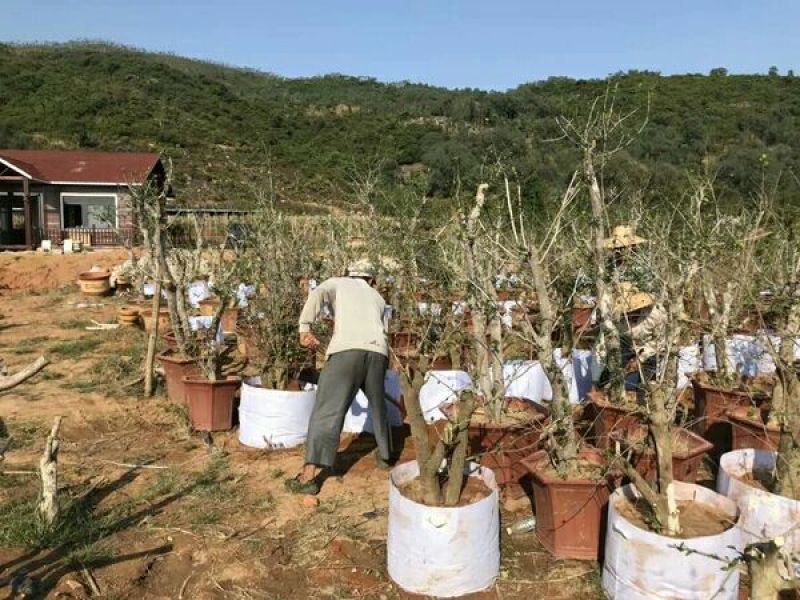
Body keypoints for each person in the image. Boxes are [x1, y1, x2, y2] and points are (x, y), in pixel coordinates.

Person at [285, 259, 393, 495]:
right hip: (378, 354)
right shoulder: (378, 298)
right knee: (378, 406)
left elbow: (318, 293)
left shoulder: (338, 283)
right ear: (371, 280)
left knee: (327, 411)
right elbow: (384, 329)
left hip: (346, 353)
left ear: (349, 274)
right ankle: (385, 456)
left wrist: (304, 327)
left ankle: (308, 478)